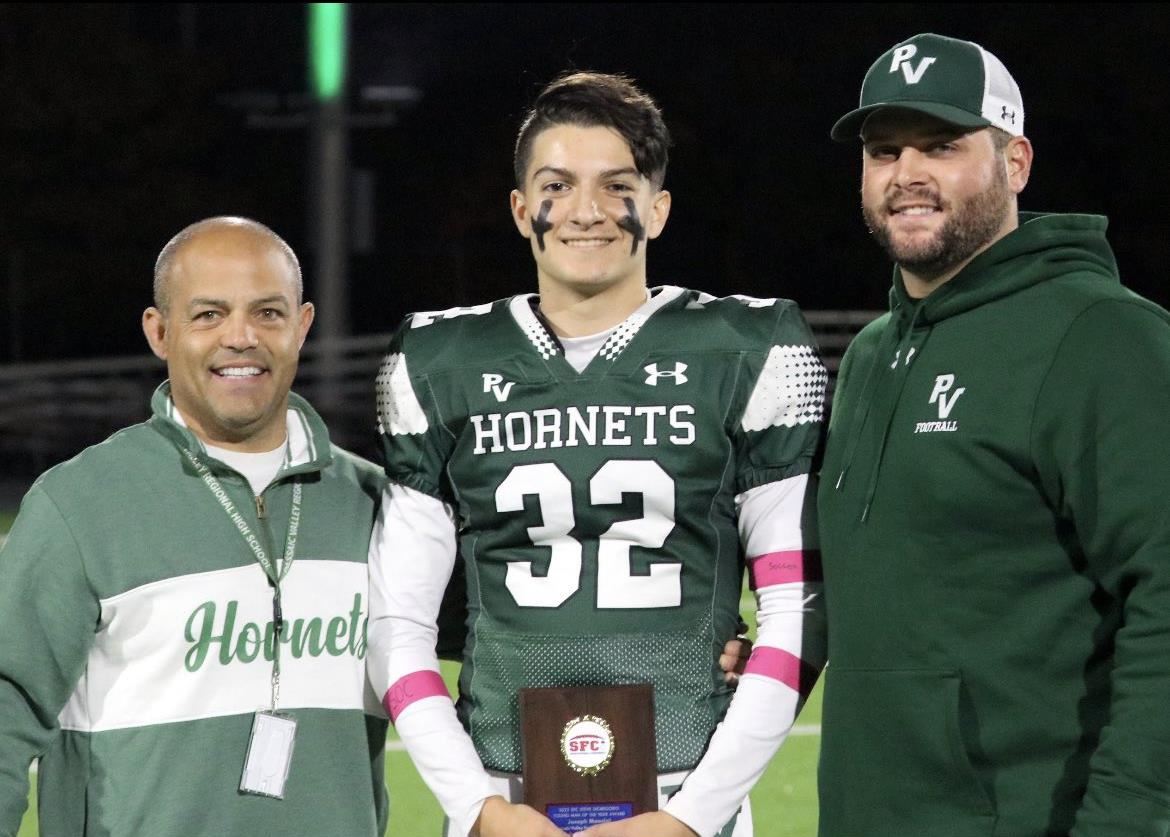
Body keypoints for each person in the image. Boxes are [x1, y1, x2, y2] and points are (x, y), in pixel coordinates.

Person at [367, 71, 827, 837]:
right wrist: (476, 807)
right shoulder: (441, 360)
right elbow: (397, 619)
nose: (585, 211)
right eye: (557, 184)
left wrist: (689, 818)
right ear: (521, 210)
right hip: (501, 791)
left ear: (658, 207)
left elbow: (797, 604)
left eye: (616, 185)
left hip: (687, 791)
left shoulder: (744, 348)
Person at [819, 32, 1170, 836]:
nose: (906, 174)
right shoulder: (874, 353)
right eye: (884, 151)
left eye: (941, 146)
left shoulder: (1104, 335)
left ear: (1015, 162)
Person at [0, 217, 391, 836]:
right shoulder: (80, 503)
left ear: (302, 325)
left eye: (267, 312)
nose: (240, 337)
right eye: (208, 314)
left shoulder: (376, 504)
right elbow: (6, 699)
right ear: (159, 332)